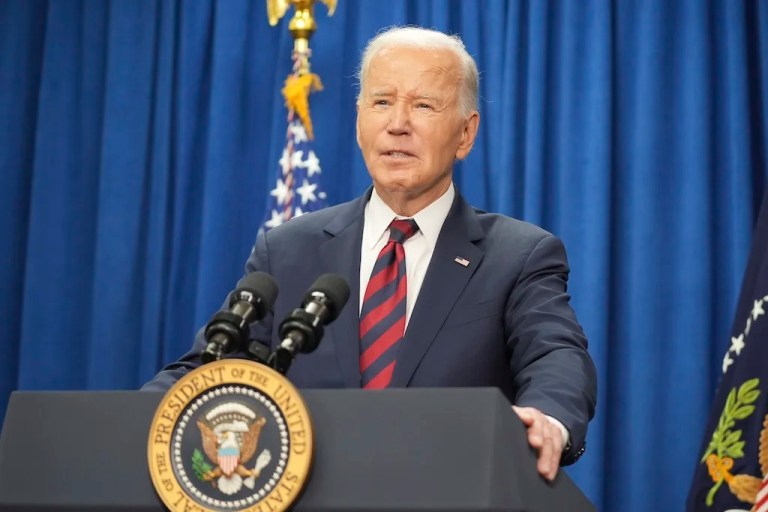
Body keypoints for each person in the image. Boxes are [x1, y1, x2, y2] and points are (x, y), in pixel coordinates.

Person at [144, 26, 597, 481]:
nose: (397, 123)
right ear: (360, 120)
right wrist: (129, 421)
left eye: (423, 105)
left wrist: (549, 418)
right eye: (381, 102)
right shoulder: (288, 249)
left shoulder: (517, 256)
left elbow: (555, 355)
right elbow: (208, 367)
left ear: (465, 133)